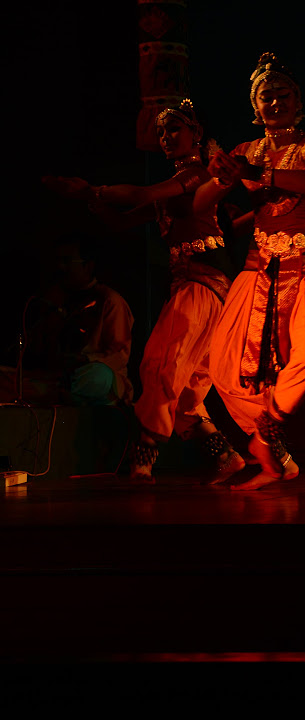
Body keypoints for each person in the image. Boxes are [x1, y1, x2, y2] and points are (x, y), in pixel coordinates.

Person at [44, 100, 243, 481]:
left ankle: (142, 459)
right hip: (201, 287)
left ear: (196, 133)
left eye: (174, 129)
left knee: (160, 364)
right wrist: (88, 198)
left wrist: (92, 188)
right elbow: (119, 223)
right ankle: (226, 457)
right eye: (162, 132)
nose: (166, 137)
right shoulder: (173, 187)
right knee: (185, 390)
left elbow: (140, 195)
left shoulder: (198, 172)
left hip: (203, 284)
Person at [195, 53, 305, 490]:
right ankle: (274, 451)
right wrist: (222, 176)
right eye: (266, 96)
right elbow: (201, 205)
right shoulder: (245, 152)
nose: (275, 101)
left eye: (283, 94)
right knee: (223, 364)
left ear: (298, 100)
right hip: (260, 268)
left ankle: (266, 433)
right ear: (255, 106)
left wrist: (251, 172)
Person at [6, 236, 134, 408]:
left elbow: (119, 355)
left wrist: (84, 360)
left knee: (98, 376)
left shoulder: (110, 300)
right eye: (57, 261)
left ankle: (61, 396)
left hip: (88, 376)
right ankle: (61, 396)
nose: (60, 267)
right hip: (55, 378)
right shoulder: (54, 297)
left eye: (66, 261)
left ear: (88, 266)